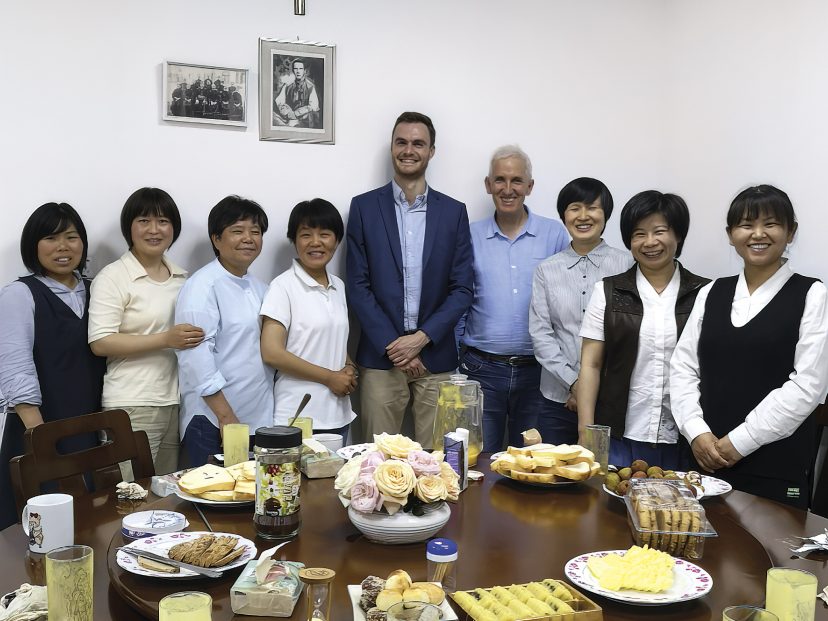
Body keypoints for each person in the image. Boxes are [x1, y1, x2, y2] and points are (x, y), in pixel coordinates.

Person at [671, 185, 828, 508]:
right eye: (745, 225)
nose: (758, 234)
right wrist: (696, 432)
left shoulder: (812, 295)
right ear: (731, 234)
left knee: (768, 557)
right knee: (697, 554)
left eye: (770, 224)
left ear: (790, 231)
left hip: (775, 465)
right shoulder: (712, 292)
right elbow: (683, 367)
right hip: (702, 459)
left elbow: (807, 386)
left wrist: (739, 442)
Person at [346, 111, 473, 448]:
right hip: (379, 358)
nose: (409, 150)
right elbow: (358, 286)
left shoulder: (453, 212)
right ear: (391, 148)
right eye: (401, 142)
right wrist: (395, 346)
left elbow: (462, 289)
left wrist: (420, 339)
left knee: (437, 463)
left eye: (418, 143)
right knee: (377, 461)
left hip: (437, 356)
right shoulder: (363, 208)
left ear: (432, 151)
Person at [576, 191, 709, 470]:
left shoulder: (705, 293)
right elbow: (591, 364)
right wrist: (587, 434)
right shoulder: (609, 291)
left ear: (678, 235)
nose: (650, 242)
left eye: (659, 231)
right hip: (620, 436)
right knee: (612, 510)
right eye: (639, 234)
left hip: (684, 438)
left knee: (674, 512)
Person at [0, 203, 105, 529]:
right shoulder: (20, 294)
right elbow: (15, 367)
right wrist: (40, 440)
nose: (63, 247)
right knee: (38, 533)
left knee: (93, 525)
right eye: (50, 237)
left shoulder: (97, 289)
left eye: (72, 237)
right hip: (40, 431)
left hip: (90, 431)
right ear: (33, 245)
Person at [457, 145, 568, 451]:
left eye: (517, 180)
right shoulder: (468, 235)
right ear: (488, 185)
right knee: (475, 460)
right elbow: (459, 300)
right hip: (480, 371)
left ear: (529, 186)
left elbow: (566, 306)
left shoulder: (554, 235)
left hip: (538, 373)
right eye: (500, 180)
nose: (508, 189)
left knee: (532, 463)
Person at [87, 188, 204, 475]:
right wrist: (165, 339)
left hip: (175, 402)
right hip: (131, 402)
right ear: (129, 227)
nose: (154, 230)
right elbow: (100, 342)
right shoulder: (114, 277)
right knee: (129, 494)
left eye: (163, 221)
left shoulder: (182, 277)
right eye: (144, 221)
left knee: (164, 495)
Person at [529, 178, 632, 445]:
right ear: (564, 215)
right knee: (554, 475)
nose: (583, 216)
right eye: (575, 208)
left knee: (604, 477)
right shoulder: (547, 270)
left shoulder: (628, 264)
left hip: (612, 399)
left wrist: (592, 389)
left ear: (605, 214)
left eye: (593, 208)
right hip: (556, 399)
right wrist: (575, 384)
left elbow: (629, 336)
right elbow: (541, 334)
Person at [175, 196, 274, 468]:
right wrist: (226, 417)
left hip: (257, 418)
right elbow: (195, 357)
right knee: (216, 500)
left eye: (256, 232)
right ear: (216, 239)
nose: (249, 238)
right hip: (214, 420)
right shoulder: (202, 286)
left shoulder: (261, 288)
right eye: (237, 231)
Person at [260, 199, 356, 440]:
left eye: (324, 234)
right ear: (294, 241)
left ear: (337, 240)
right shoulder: (283, 286)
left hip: (338, 413)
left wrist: (349, 367)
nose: (316, 242)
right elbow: (271, 352)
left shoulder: (339, 286)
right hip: (297, 415)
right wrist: (330, 377)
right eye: (305, 235)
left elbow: (332, 340)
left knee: (337, 478)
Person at [274, 58, 320, 128]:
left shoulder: (310, 87)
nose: (298, 71)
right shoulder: (287, 86)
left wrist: (296, 113)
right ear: (293, 71)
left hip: (305, 121)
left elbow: (314, 106)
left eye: (300, 69)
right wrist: (287, 112)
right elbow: (279, 101)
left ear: (304, 71)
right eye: (296, 69)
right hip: (288, 118)